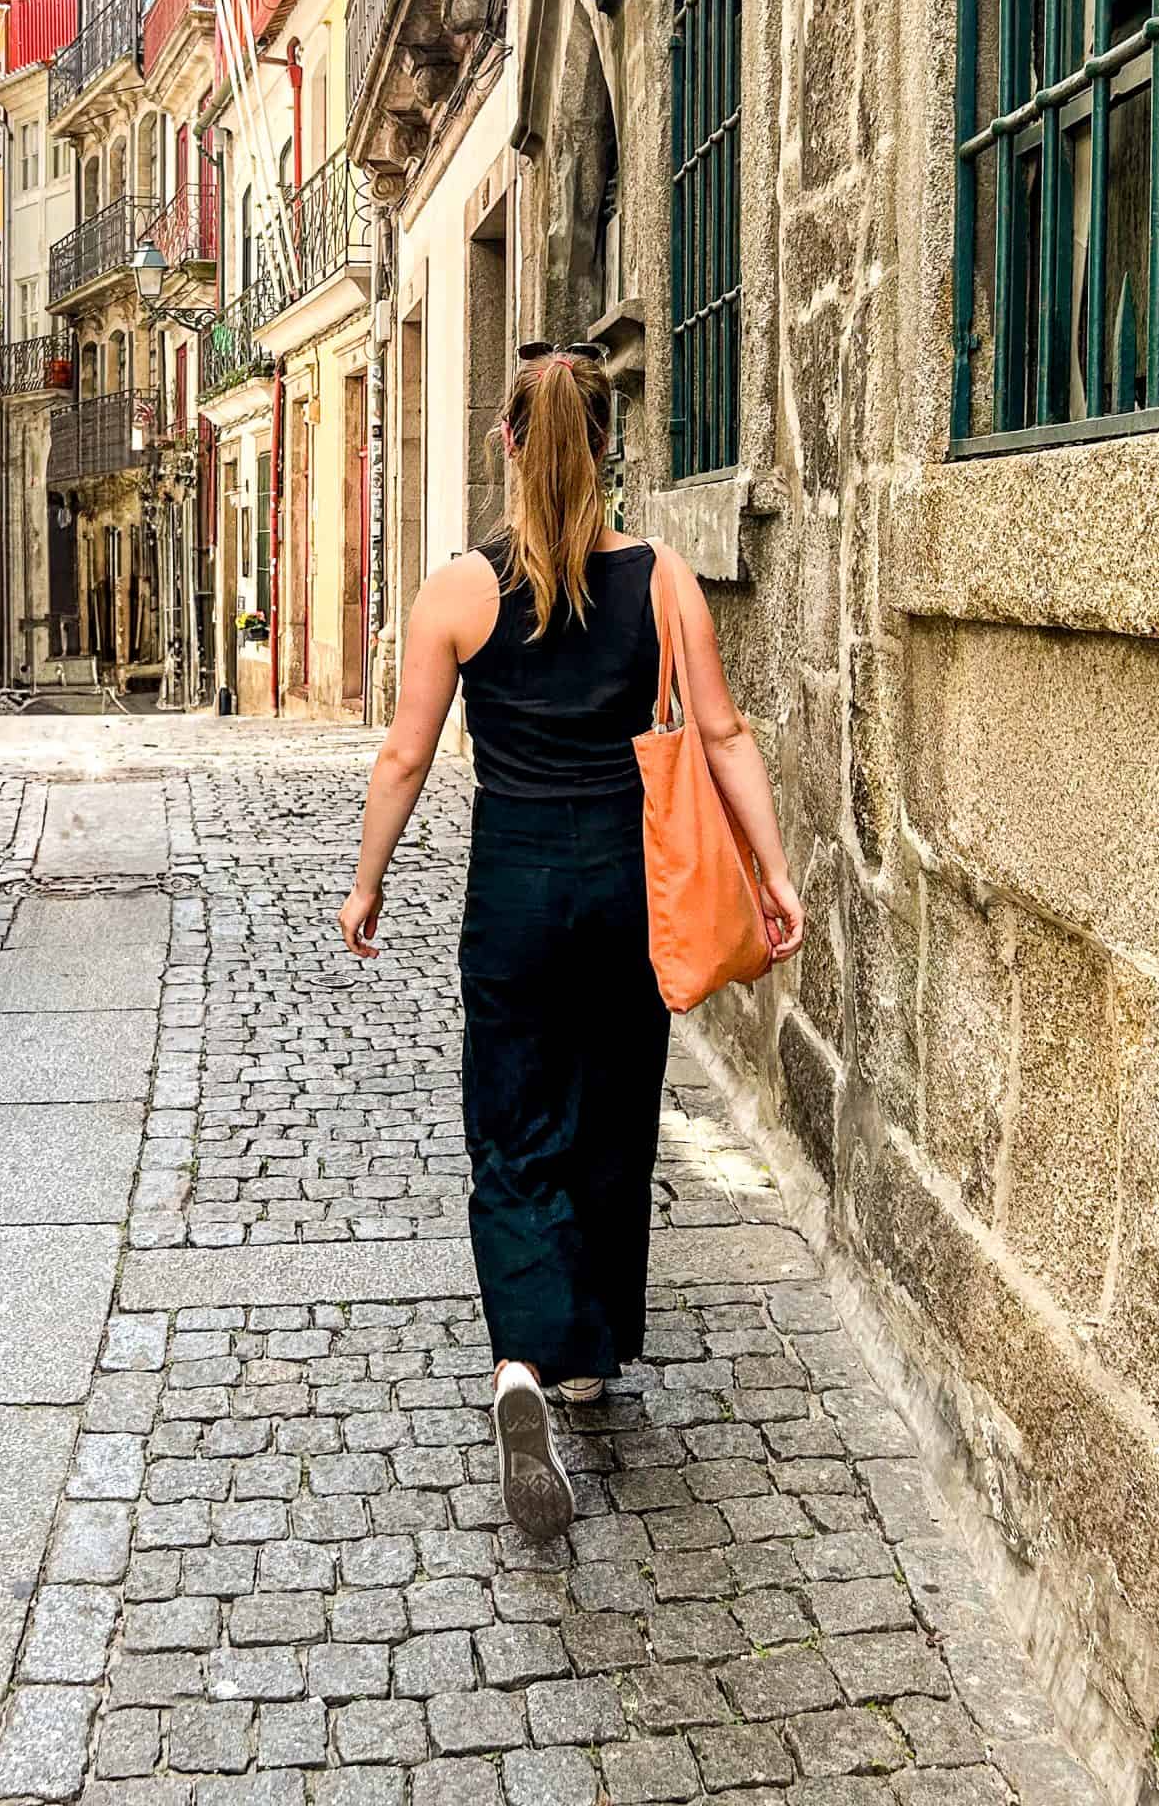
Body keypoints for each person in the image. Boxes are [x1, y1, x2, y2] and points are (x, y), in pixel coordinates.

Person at [338, 343, 805, 1540]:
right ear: (609, 443)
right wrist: (772, 871)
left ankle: (518, 1369)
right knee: (610, 1108)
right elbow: (723, 733)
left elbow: (402, 757)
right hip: (624, 891)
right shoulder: (662, 582)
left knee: (511, 1118)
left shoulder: (454, 591)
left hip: (511, 894)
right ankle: (588, 1355)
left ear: (506, 442)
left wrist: (366, 884)